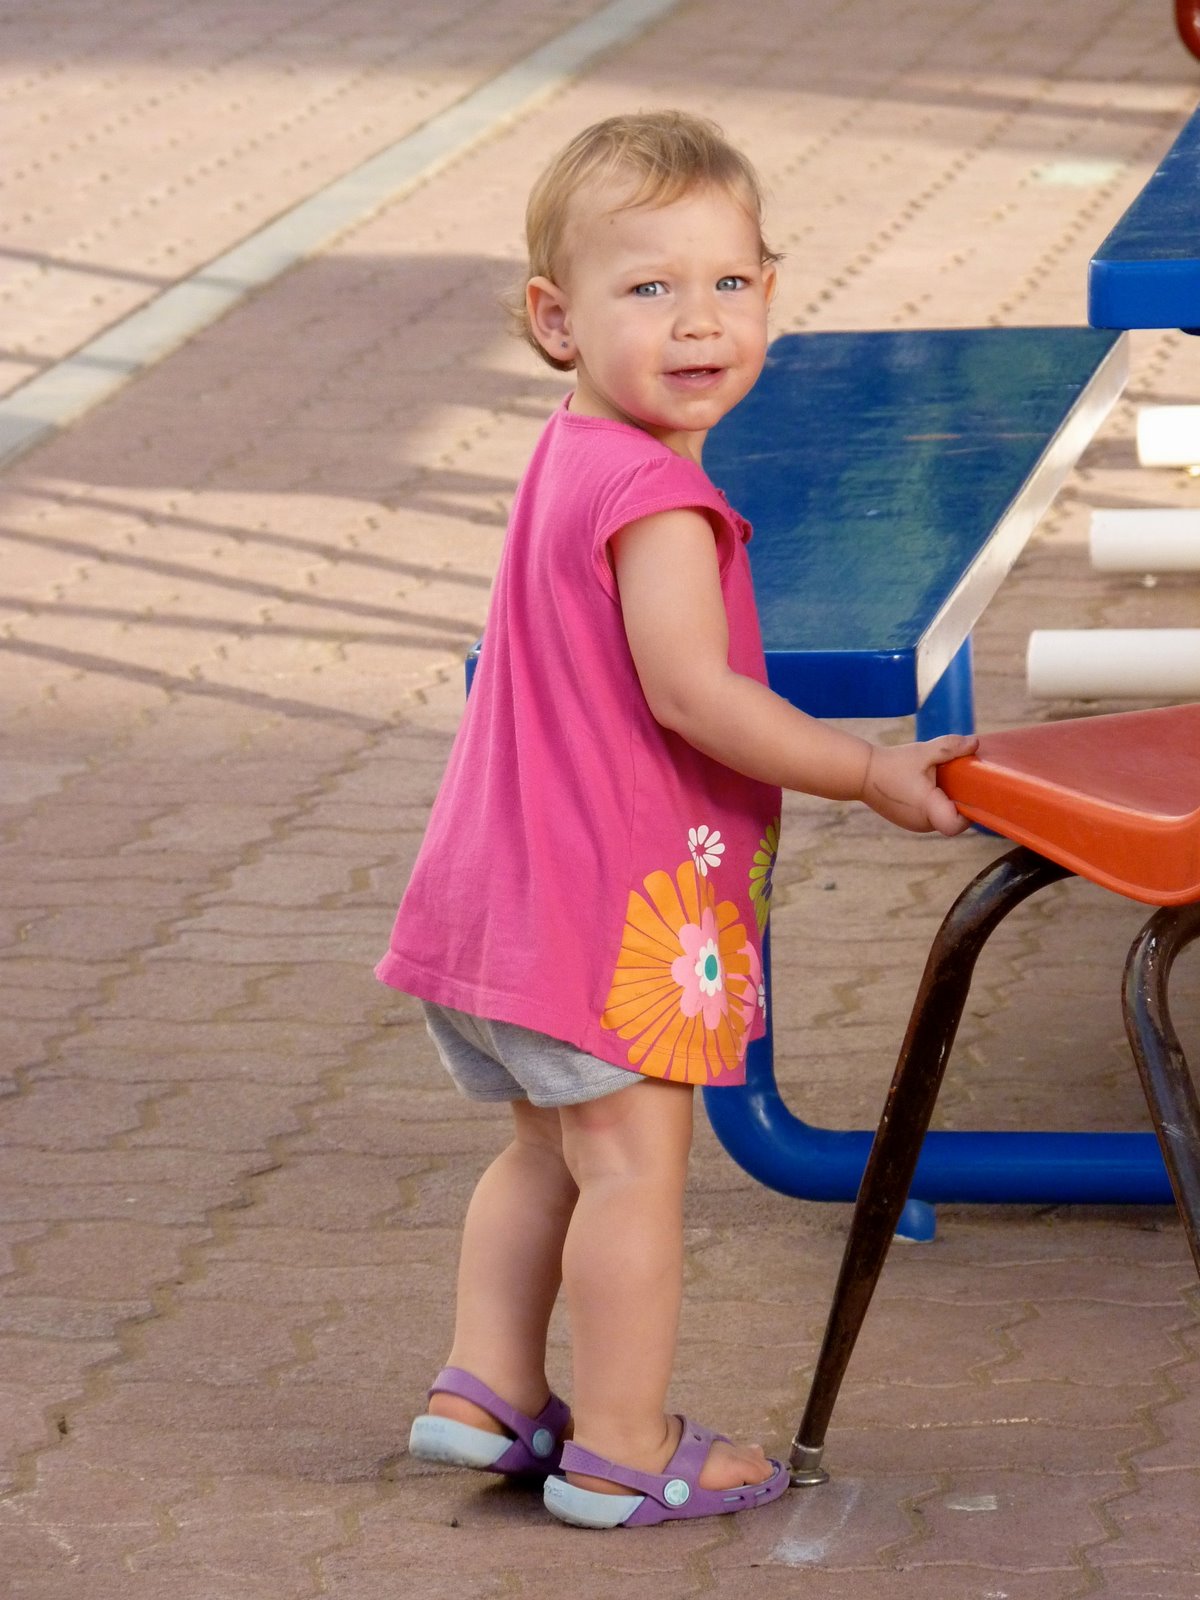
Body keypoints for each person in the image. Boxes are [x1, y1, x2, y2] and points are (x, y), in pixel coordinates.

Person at [377, 109, 976, 1529]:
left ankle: (486, 1388)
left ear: (772, 290)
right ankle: (624, 1447)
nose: (699, 319)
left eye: (729, 282)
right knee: (634, 1172)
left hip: (496, 896)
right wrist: (864, 770)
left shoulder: (571, 452)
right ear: (557, 320)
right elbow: (695, 695)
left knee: (545, 1151)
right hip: (600, 916)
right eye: (649, 288)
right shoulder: (659, 498)